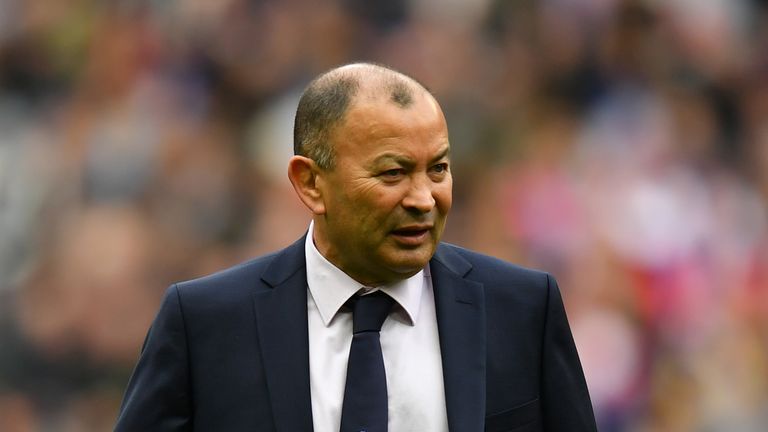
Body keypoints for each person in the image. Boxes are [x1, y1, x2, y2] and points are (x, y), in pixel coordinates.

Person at [114, 63, 597, 432]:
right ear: (310, 183)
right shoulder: (205, 324)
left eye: (439, 169)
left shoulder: (523, 309)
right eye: (393, 173)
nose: (424, 199)